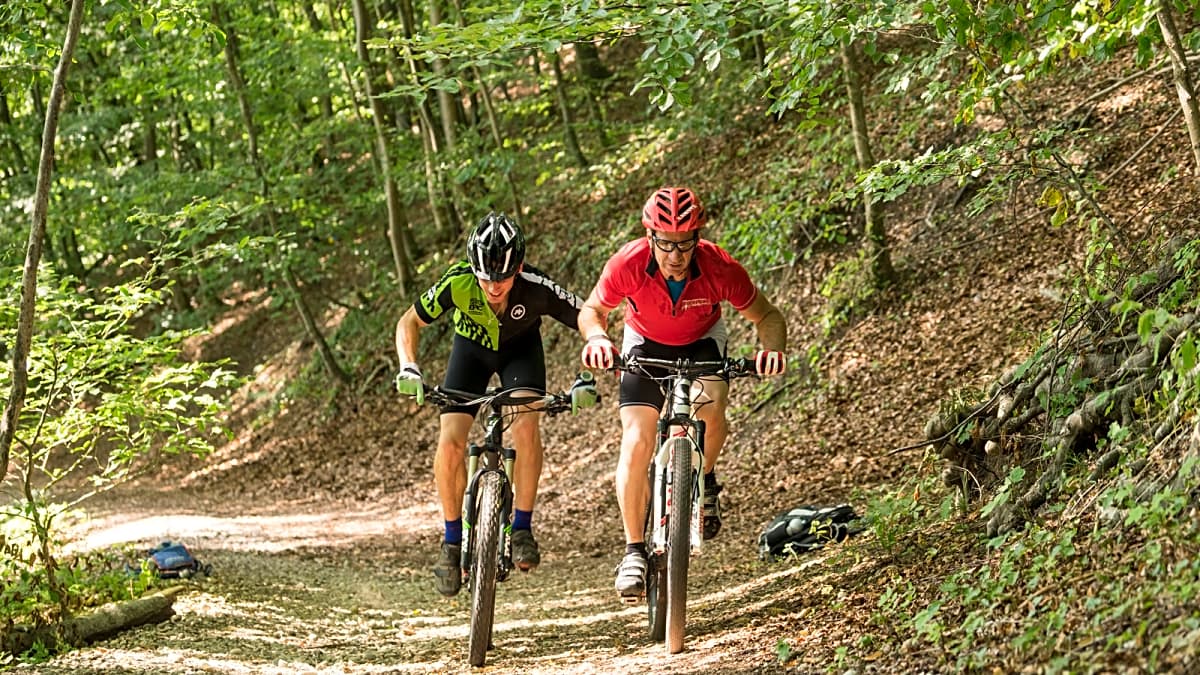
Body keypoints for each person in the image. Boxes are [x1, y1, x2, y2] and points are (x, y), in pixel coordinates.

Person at [577, 186, 787, 601]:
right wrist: (598, 339)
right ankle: (634, 550)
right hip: (644, 342)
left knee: (711, 406)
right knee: (636, 440)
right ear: (650, 237)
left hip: (701, 340)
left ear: (698, 238)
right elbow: (592, 311)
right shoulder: (628, 263)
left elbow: (768, 316)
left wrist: (771, 351)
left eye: (685, 243)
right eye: (666, 244)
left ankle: (704, 479)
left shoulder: (719, 267)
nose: (676, 255)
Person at [395, 212, 593, 597]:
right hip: (469, 355)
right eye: (485, 276)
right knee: (451, 440)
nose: (493, 285)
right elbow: (409, 322)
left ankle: (521, 527)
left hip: (521, 354)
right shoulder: (457, 282)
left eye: (502, 277)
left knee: (525, 423)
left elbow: (587, 315)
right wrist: (409, 367)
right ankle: (452, 541)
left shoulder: (535, 287)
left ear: (518, 267)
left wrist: (596, 345)